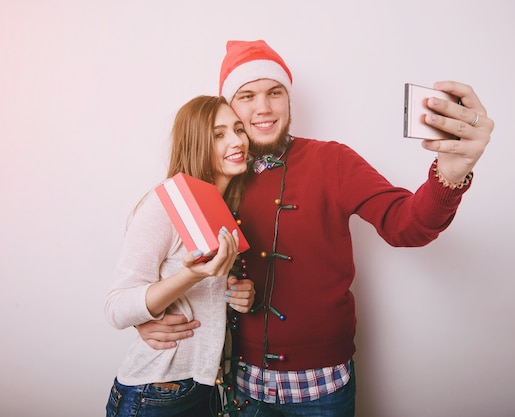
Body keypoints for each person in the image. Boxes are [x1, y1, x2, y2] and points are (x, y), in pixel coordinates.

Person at [136, 40, 494, 417]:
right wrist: (149, 320)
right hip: (240, 386)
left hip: (322, 388)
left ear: (288, 100)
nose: (263, 107)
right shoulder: (218, 178)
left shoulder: (333, 160)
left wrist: (449, 176)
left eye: (275, 92)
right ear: (229, 107)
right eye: (247, 95)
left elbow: (406, 225)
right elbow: (174, 268)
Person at [104, 95, 256, 417]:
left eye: (238, 129)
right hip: (159, 391)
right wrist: (190, 275)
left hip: (207, 388)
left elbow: (206, 302)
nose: (237, 140)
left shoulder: (225, 208)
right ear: (196, 143)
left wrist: (238, 294)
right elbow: (116, 307)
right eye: (219, 134)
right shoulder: (164, 206)